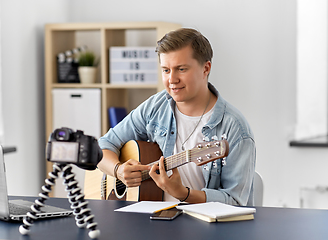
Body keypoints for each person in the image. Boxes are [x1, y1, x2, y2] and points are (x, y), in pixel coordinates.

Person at [97, 28, 256, 206]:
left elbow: (235, 201)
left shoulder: (235, 129)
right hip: (152, 220)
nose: (172, 79)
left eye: (181, 69)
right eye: (166, 70)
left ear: (206, 68)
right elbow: (103, 145)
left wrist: (183, 194)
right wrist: (118, 170)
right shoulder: (156, 106)